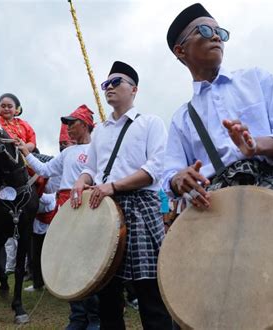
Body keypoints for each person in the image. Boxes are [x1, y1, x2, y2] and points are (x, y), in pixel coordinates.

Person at [163, 3, 273, 328]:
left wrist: (256, 145)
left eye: (221, 32)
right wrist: (180, 179)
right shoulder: (182, 118)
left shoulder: (256, 78)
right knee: (226, 304)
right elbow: (169, 174)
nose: (217, 38)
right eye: (206, 31)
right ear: (180, 49)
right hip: (215, 215)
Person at [71, 61, 173, 329]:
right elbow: (90, 168)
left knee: (149, 291)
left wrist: (113, 186)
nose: (109, 88)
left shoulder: (150, 123)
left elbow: (155, 168)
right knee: (107, 292)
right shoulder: (101, 130)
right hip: (104, 209)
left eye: (116, 82)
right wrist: (81, 181)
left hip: (140, 208)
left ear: (134, 89)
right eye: (106, 84)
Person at [18, 105, 100, 330]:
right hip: (65, 211)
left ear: (83, 125)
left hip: (91, 209)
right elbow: (44, 170)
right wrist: (26, 153)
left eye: (71, 123)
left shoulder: (99, 148)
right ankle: (77, 317)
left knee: (89, 263)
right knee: (71, 263)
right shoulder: (67, 153)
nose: (67, 128)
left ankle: (94, 317)